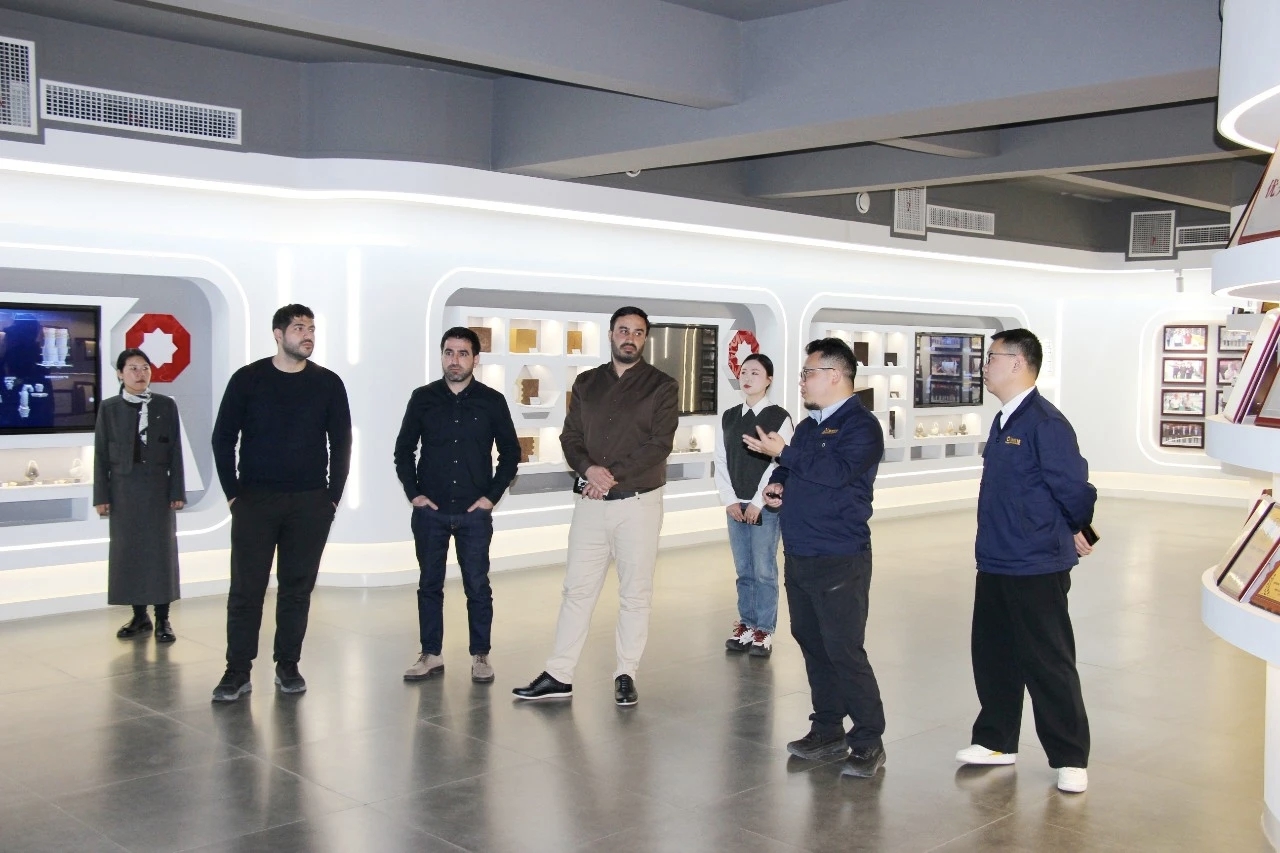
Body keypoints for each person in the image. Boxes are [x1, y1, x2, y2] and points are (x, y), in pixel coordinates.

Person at [955, 328, 1097, 794]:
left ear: (1017, 363)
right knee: (994, 655)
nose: (984, 367)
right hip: (996, 559)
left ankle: (1070, 756)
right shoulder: (1004, 420)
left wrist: (1078, 526)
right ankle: (996, 741)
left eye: (991, 357)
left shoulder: (1045, 422)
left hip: (1035, 564)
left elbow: (1074, 489)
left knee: (1048, 661)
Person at [513, 306, 678, 707]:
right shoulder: (587, 382)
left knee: (635, 594)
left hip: (638, 504)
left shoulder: (662, 386)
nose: (629, 338)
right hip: (590, 503)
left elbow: (659, 445)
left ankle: (626, 673)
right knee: (576, 590)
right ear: (610, 334)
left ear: (645, 338)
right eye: (623, 330)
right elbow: (570, 437)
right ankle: (559, 675)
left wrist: (609, 475)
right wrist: (589, 470)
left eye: (637, 332)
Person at [746, 337, 888, 779]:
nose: (802, 381)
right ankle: (827, 728)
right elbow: (793, 470)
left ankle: (868, 739)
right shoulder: (809, 427)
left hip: (840, 555)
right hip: (801, 552)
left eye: (808, 373)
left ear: (835, 375)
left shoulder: (861, 427)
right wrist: (779, 484)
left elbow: (836, 473)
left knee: (844, 649)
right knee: (812, 643)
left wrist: (783, 454)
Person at [209, 304, 352, 702]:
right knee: (246, 590)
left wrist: (332, 498)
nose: (308, 335)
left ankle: (287, 664)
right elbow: (223, 438)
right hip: (255, 501)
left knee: (296, 590)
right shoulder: (248, 379)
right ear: (278, 334)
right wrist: (234, 494)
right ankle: (237, 670)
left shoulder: (328, 383)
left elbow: (342, 442)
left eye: (312, 328)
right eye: (299, 328)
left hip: (310, 503)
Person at [394, 327, 520, 684]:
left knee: (477, 586)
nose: (455, 360)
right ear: (442, 356)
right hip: (430, 512)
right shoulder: (423, 398)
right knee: (429, 585)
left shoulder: (492, 401)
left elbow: (511, 453)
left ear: (475, 360)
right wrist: (414, 494)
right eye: (449, 352)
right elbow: (403, 450)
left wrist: (490, 498)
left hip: (473, 514)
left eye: (463, 353)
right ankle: (431, 654)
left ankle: (480, 655)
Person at [94, 348, 186, 643]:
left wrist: (177, 490)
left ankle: (163, 618)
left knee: (160, 554)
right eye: (133, 368)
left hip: (158, 491)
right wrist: (101, 495)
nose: (140, 373)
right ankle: (139, 616)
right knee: (129, 553)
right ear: (120, 374)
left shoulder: (165, 405)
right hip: (123, 492)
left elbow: (176, 452)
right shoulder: (109, 408)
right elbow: (100, 455)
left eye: (145, 367)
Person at [715, 352, 792, 657]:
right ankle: (746, 624)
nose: (747, 378)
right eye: (744, 372)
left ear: (769, 380)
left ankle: (764, 629)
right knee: (744, 570)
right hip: (736, 505)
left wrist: (758, 502)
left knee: (763, 570)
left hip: (765, 506)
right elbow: (721, 460)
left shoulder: (779, 417)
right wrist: (730, 500)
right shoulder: (729, 416)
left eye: (755, 373)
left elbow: (779, 464)